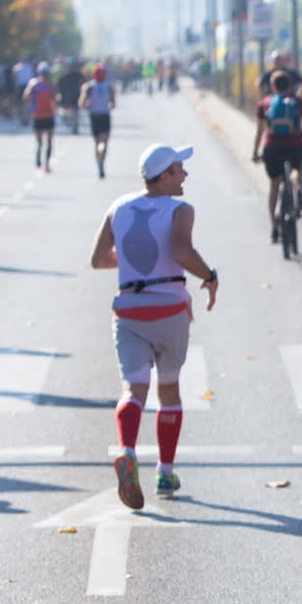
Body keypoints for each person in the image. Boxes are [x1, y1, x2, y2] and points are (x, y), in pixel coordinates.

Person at [89, 144, 220, 508]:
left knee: (133, 389)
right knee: (169, 387)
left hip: (128, 308)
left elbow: (99, 259)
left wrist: (135, 259)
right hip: (168, 309)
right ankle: (165, 470)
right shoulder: (180, 209)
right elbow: (180, 252)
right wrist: (209, 275)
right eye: (180, 170)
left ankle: (128, 451)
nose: (185, 175)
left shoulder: (118, 207)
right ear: (164, 177)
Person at [252, 70, 302, 242]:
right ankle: (298, 195)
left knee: (274, 185)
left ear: (272, 86)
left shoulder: (265, 103)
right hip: (294, 147)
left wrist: (255, 153)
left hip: (272, 148)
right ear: (291, 86)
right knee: (300, 169)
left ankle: (274, 227)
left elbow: (260, 131)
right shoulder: (298, 103)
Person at [81, 64, 117, 179]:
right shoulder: (109, 87)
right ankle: (102, 159)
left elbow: (82, 103)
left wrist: (88, 106)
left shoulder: (89, 86)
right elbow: (113, 104)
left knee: (96, 143)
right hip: (105, 116)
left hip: (94, 116)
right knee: (104, 142)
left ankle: (99, 163)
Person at [23, 63, 57, 173]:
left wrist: (30, 108)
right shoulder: (50, 84)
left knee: (39, 140)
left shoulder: (33, 83)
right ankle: (46, 163)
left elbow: (26, 97)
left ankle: (39, 155)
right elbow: (55, 98)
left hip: (37, 115)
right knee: (49, 141)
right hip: (48, 115)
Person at [57, 61, 84, 135]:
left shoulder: (64, 76)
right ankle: (74, 124)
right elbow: (83, 84)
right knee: (74, 111)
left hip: (68, 96)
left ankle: (74, 125)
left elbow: (59, 85)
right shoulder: (78, 75)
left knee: (72, 110)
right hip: (74, 95)